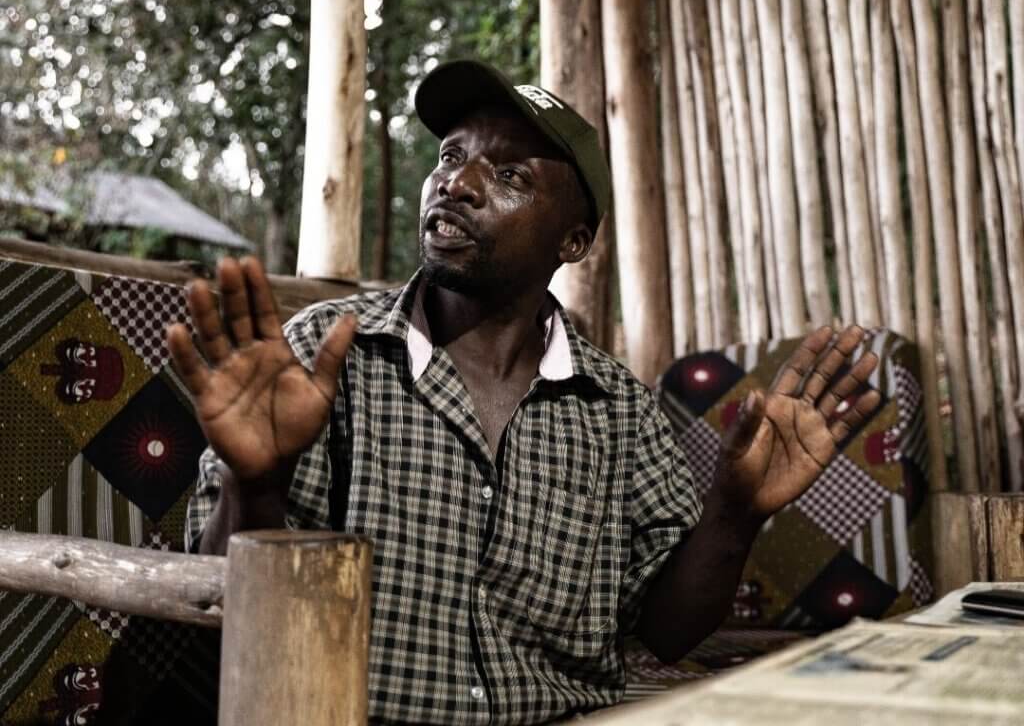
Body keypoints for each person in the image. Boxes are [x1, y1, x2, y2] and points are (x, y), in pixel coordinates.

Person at [171, 59, 880, 725]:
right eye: (450, 156)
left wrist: (734, 513)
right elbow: (221, 609)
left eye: (507, 174)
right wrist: (254, 482)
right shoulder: (324, 357)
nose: (457, 182)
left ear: (572, 241)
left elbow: (666, 632)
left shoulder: (621, 413)